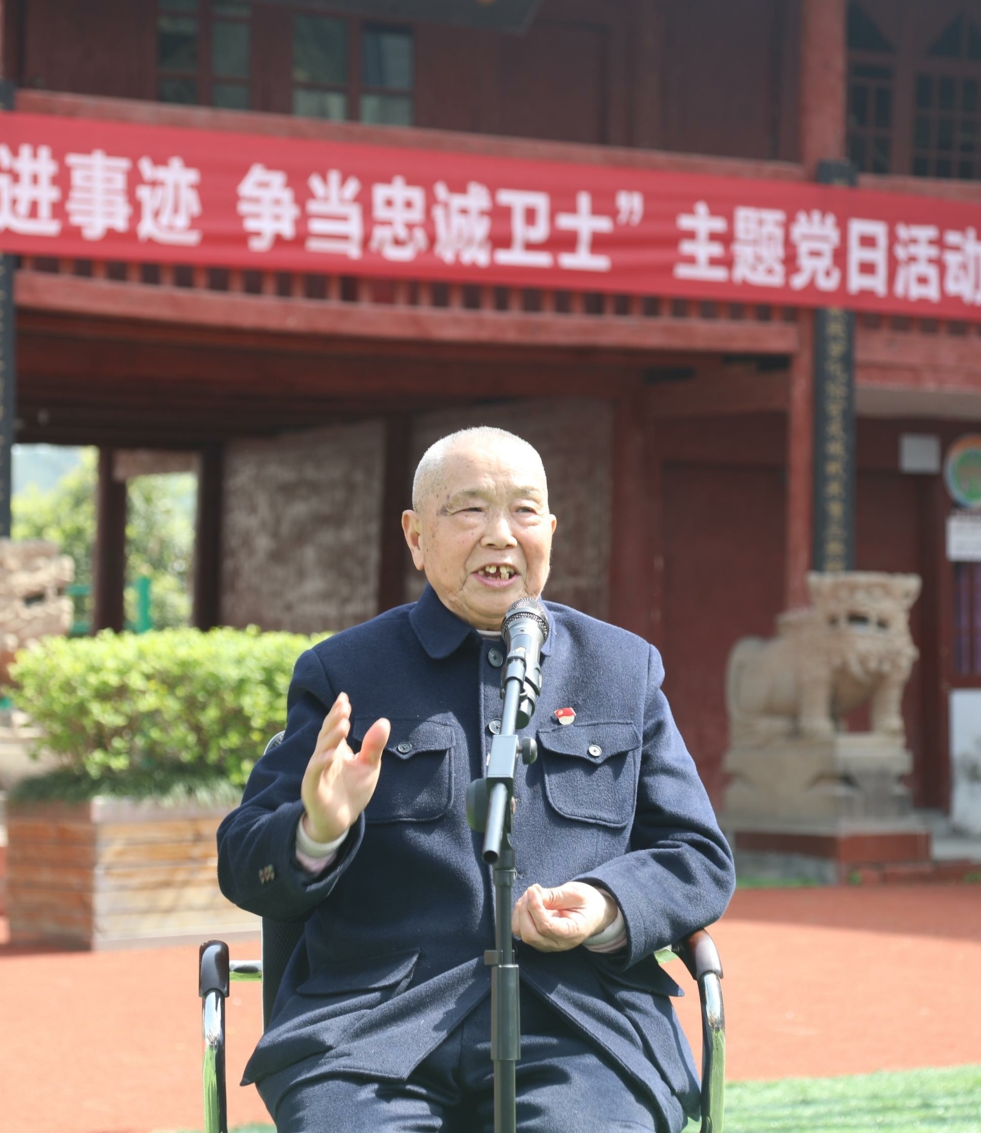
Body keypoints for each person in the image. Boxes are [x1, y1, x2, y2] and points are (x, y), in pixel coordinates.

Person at [217, 426, 734, 1132]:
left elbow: (697, 857)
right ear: (416, 535)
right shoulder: (345, 673)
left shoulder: (623, 669)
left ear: (549, 530)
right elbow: (243, 861)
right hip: (372, 1033)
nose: (501, 534)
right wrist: (316, 830)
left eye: (524, 510)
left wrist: (604, 904)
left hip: (585, 1028)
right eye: (469, 510)